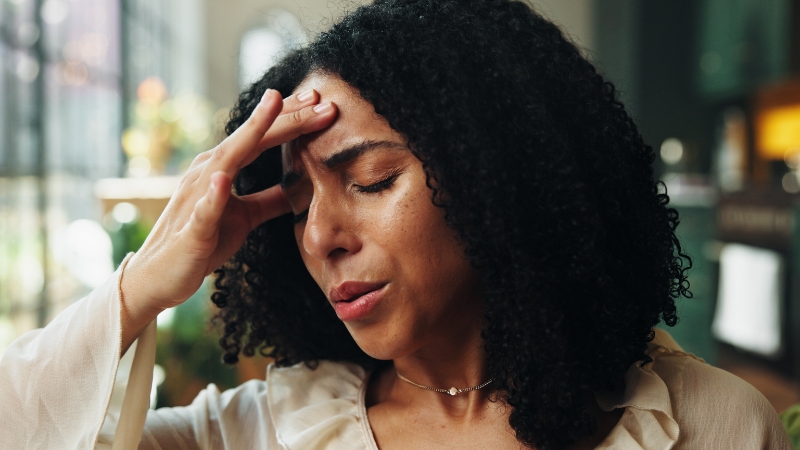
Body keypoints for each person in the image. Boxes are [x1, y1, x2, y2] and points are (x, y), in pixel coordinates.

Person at [0, 0, 792, 448]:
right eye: (300, 204)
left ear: (496, 176)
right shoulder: (265, 433)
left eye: (371, 179)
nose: (320, 235)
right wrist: (144, 280)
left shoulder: (706, 425)